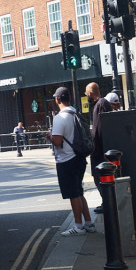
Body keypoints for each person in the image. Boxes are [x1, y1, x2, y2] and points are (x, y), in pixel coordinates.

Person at [48, 86, 95, 235]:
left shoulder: (59, 118)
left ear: (57, 99)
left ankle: (78, 226)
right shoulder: (76, 112)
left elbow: (57, 141)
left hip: (66, 160)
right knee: (79, 191)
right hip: (79, 157)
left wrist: (49, 136)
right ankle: (89, 223)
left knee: (73, 194)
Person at [85, 83, 112, 214]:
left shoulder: (101, 104)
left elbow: (101, 129)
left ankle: (107, 202)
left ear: (90, 93)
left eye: (86, 93)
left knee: (99, 177)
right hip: (100, 149)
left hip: (100, 150)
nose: (86, 96)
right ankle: (106, 202)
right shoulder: (100, 103)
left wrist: (95, 146)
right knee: (98, 177)